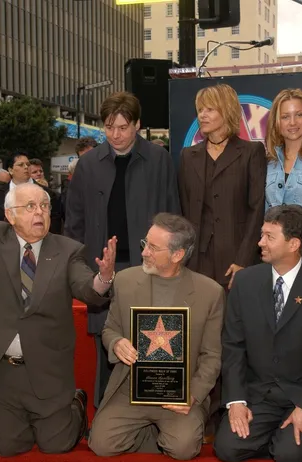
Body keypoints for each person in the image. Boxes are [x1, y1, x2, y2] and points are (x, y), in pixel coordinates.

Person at [0, 173, 116, 457]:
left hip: (46, 366)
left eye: (43, 205)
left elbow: (85, 287)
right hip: (0, 368)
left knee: (56, 446)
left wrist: (103, 277)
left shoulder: (67, 250)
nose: (39, 212)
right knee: (10, 448)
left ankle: (75, 406)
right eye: (29, 207)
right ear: (10, 215)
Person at [65, 91, 181, 407]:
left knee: (155, 342)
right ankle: (106, 414)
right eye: (109, 127)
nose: (115, 135)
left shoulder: (159, 160)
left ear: (138, 125)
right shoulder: (88, 165)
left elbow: (173, 217)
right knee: (108, 344)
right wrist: (80, 274)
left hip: (149, 269)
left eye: (123, 127)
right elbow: (74, 224)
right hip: (104, 272)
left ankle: (156, 415)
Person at [89, 213, 224, 459]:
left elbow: (212, 356)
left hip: (180, 394)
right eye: (145, 243)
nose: (144, 252)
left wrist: (192, 396)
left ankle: (156, 432)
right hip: (130, 389)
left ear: (177, 255)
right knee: (101, 445)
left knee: (183, 449)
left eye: (153, 247)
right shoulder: (126, 281)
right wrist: (117, 343)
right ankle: (149, 433)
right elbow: (109, 329)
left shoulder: (210, 293)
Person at [214, 204, 302, 462]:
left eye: (269, 237)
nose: (260, 242)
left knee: (290, 457)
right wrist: (236, 401)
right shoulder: (245, 281)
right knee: (227, 448)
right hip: (259, 396)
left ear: (294, 244)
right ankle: (277, 436)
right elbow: (233, 347)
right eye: (262, 235)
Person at [178, 83, 267, 290]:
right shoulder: (187, 157)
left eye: (210, 109)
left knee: (234, 320)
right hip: (196, 261)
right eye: (200, 110)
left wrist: (244, 260)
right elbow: (184, 209)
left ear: (227, 111)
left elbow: (257, 210)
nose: (202, 115)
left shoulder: (251, 152)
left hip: (236, 259)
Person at [265, 88, 302, 265]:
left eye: (299, 115)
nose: (292, 122)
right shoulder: (268, 163)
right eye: (285, 117)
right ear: (277, 122)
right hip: (277, 258)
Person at [0, 152, 62, 234]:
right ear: (10, 170)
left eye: (28, 164)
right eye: (21, 165)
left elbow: (55, 224)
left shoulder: (46, 193)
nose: (26, 167)